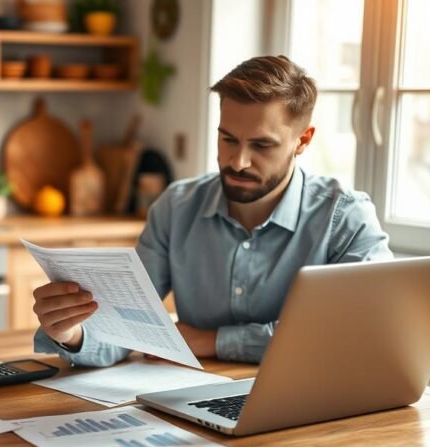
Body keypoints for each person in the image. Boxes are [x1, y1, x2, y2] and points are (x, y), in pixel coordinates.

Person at [31, 55, 394, 367]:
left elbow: (354, 332)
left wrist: (212, 341)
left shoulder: (346, 218)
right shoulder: (176, 207)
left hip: (314, 408)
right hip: (197, 398)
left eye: (262, 145)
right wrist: (72, 332)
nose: (238, 161)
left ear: (303, 140)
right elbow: (127, 327)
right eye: (228, 139)